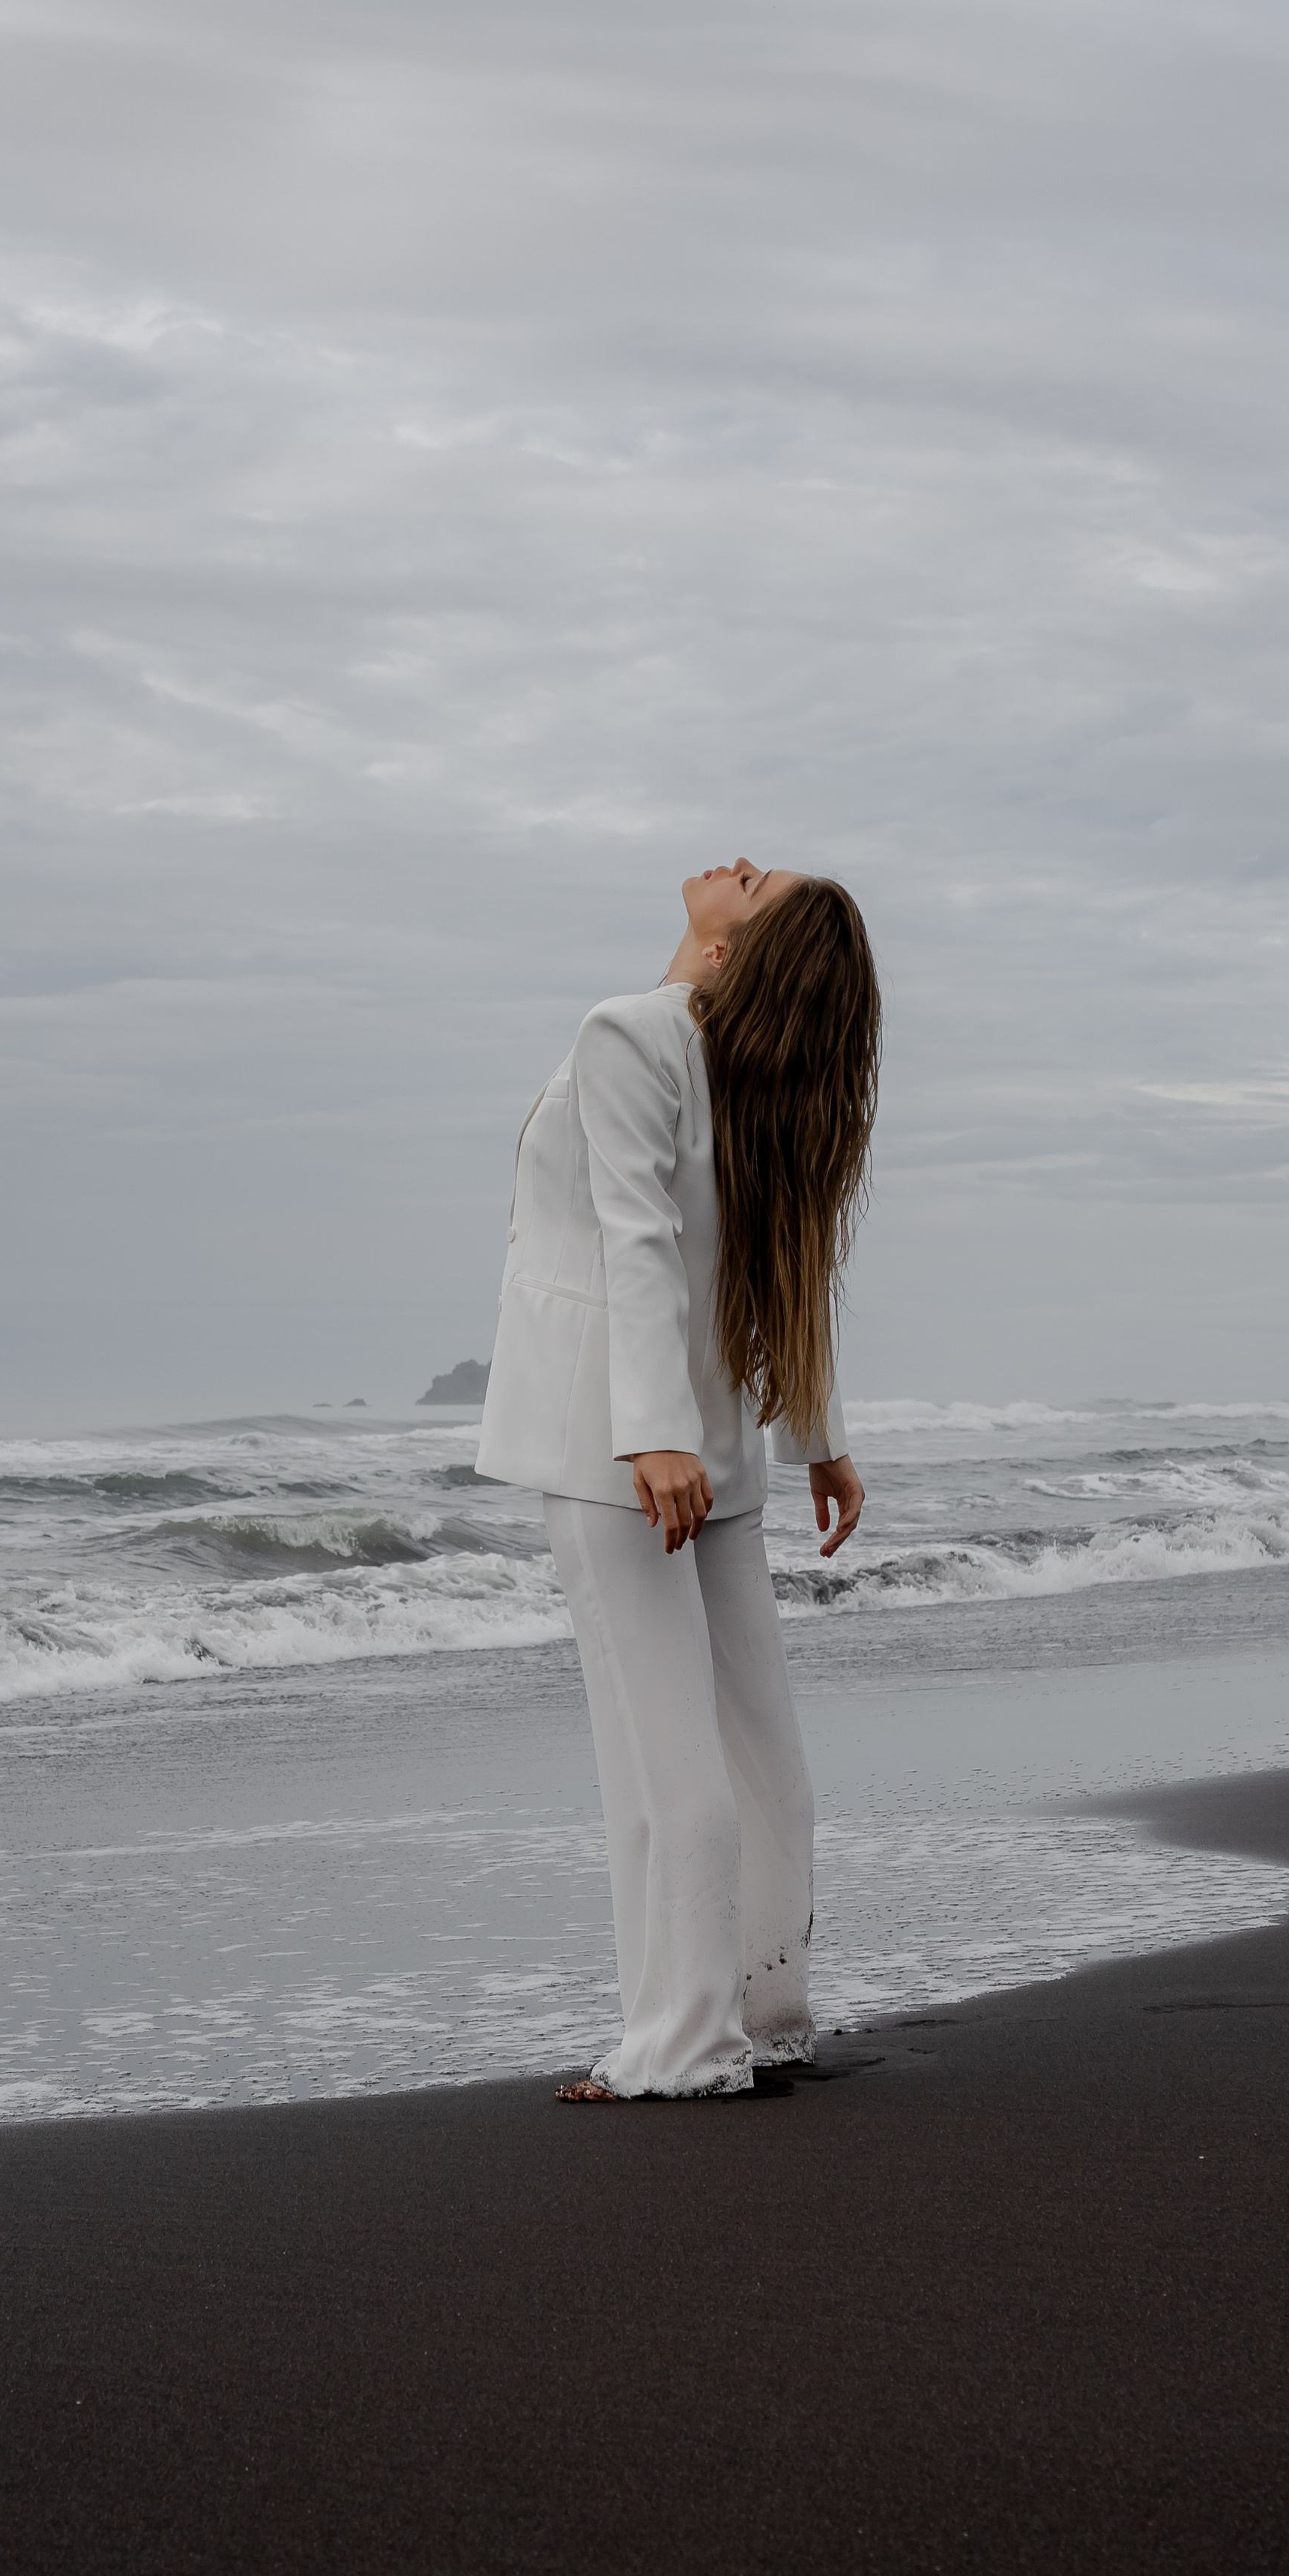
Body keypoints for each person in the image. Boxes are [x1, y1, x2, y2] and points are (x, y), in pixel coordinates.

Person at [476, 860, 881, 2099]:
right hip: (715, 1444)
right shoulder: (743, 1066)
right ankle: (766, 2011)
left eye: (758, 885)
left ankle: (684, 2046)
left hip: (623, 1450)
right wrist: (819, 1434)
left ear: (742, 951)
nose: (736, 868)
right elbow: (790, 1268)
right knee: (759, 1755)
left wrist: (646, 1434)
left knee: (663, 1766)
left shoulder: (632, 1035)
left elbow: (636, 1239)